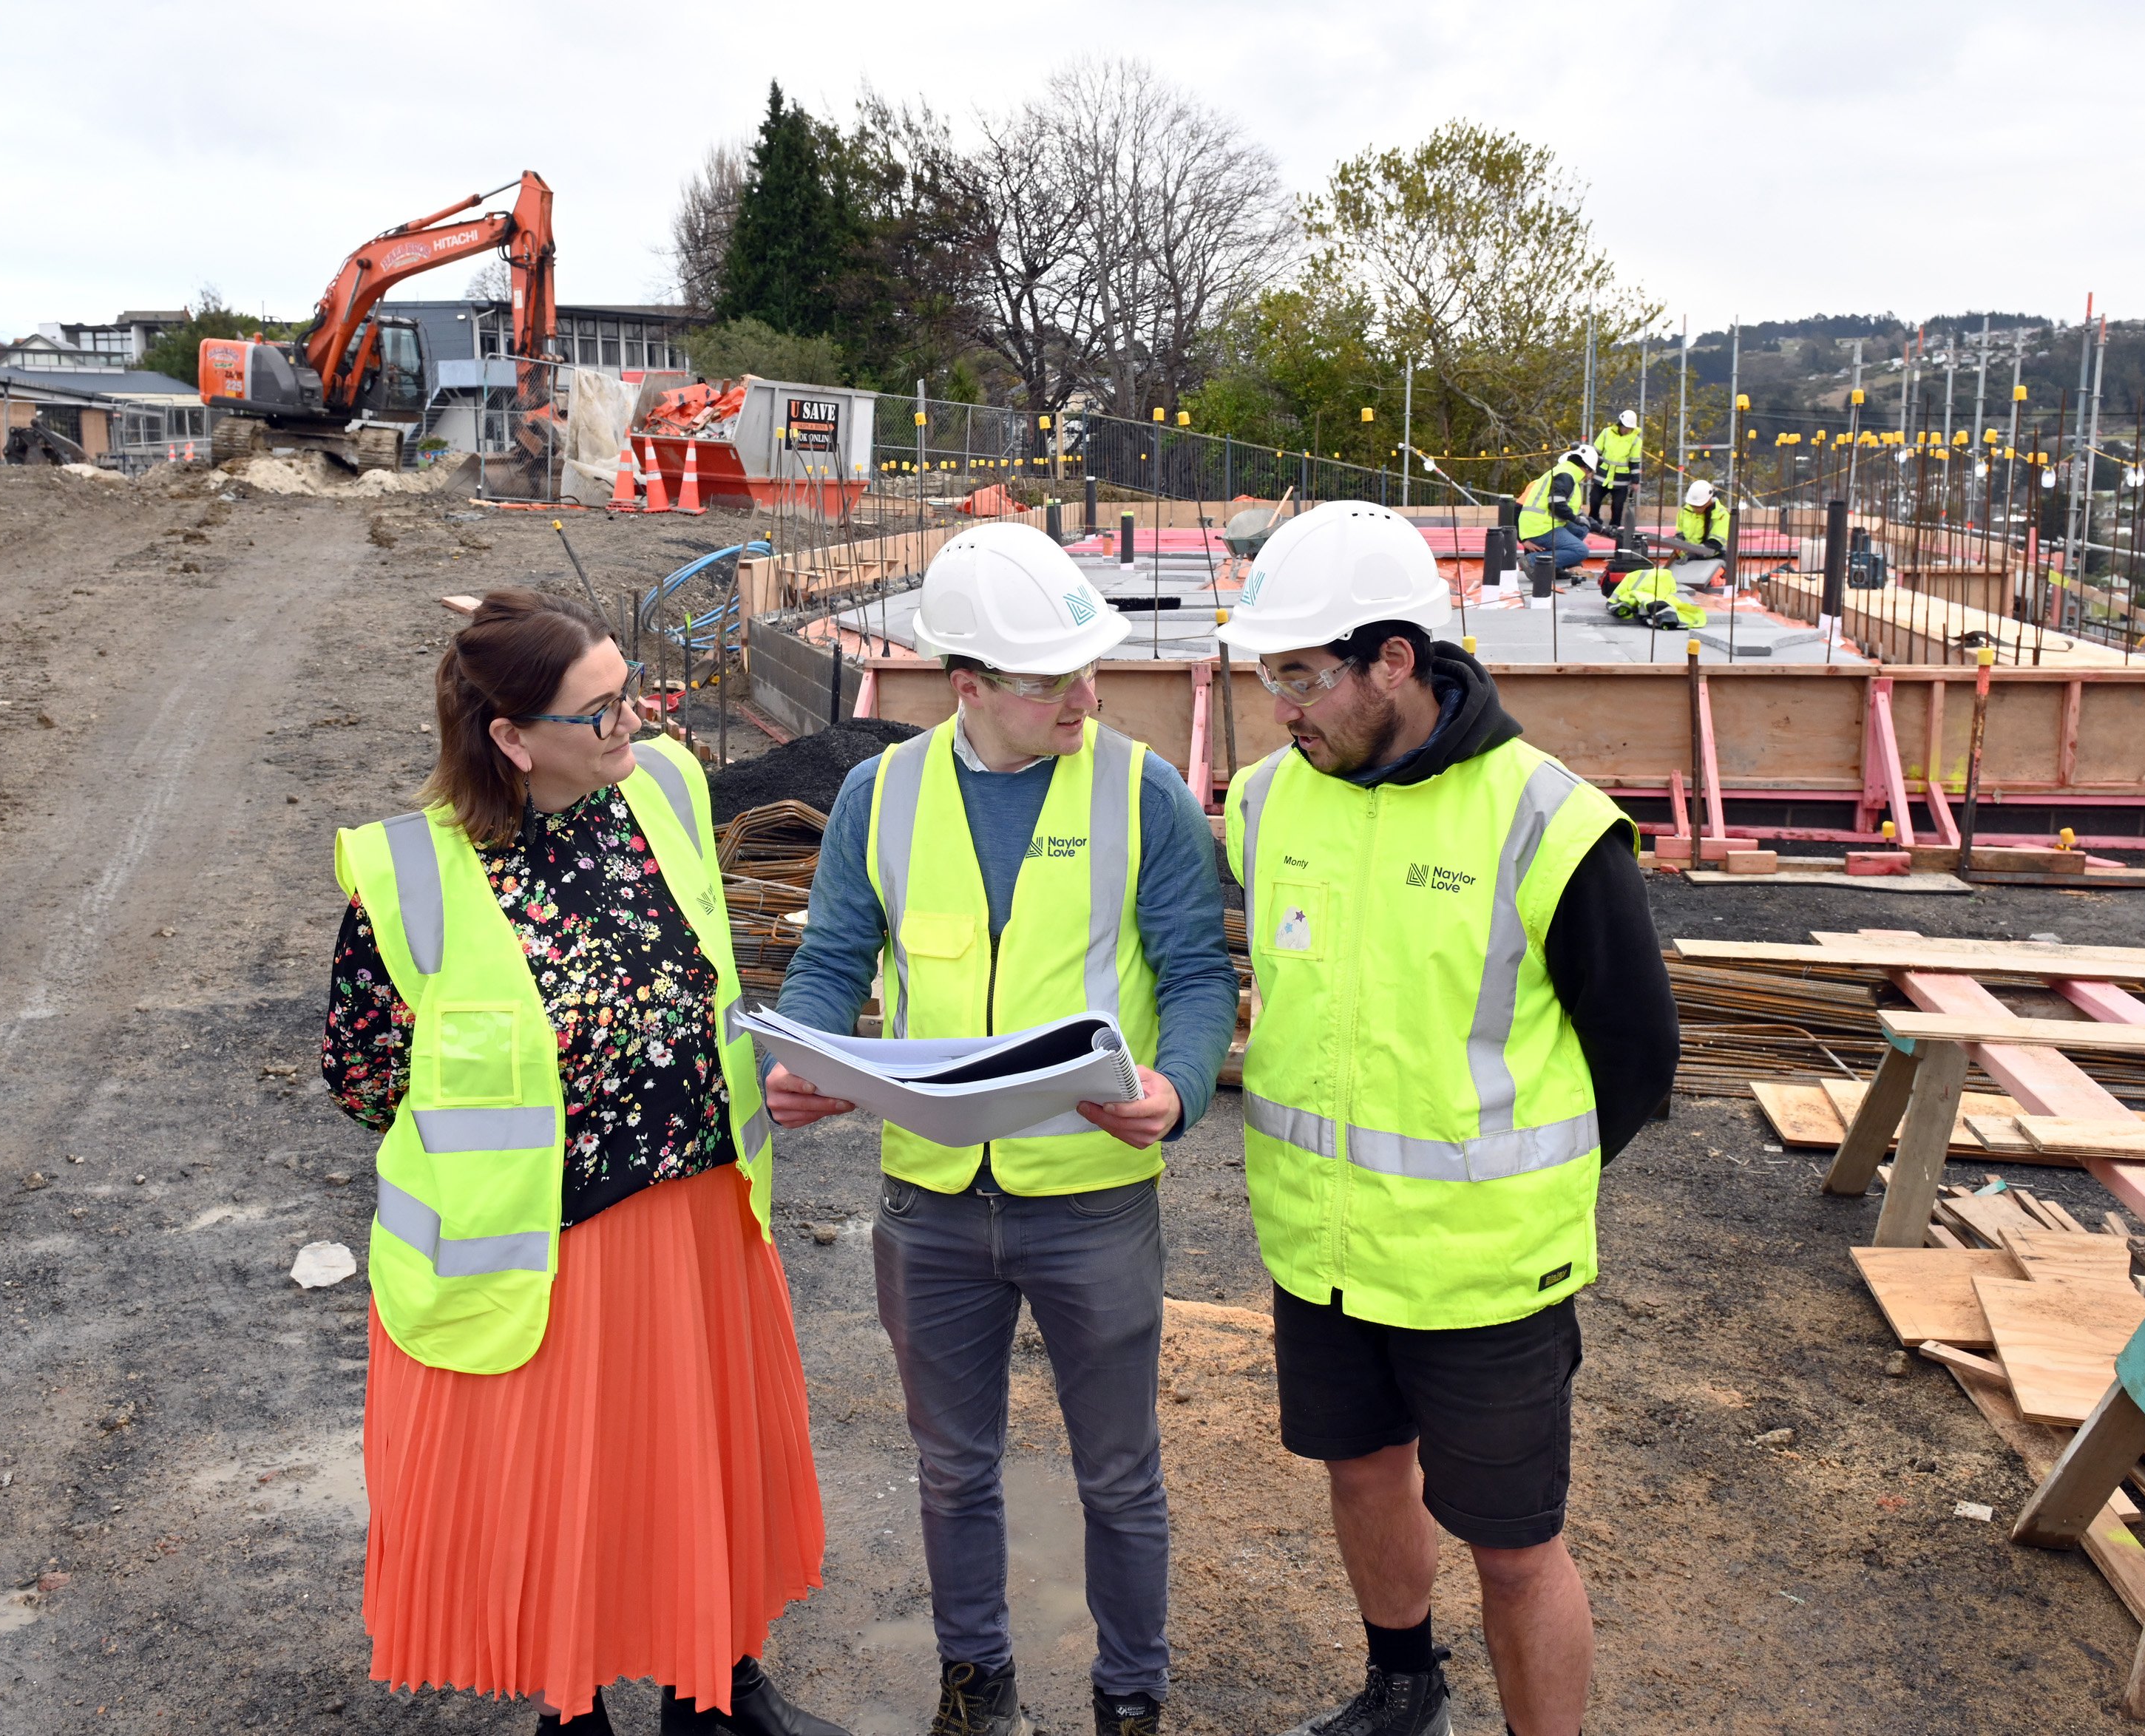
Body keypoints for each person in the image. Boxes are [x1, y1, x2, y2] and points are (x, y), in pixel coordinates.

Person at [322, 591, 842, 1736]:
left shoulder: (661, 789)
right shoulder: (411, 878)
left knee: (691, 1490)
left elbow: (703, 974)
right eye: (601, 710)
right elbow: (365, 1078)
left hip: (704, 1217)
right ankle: (578, 1714)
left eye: (633, 690)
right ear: (511, 739)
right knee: (580, 1512)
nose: (637, 723)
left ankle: (716, 1696)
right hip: (552, 1256)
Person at [762, 523, 1238, 1736]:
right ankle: (977, 1687)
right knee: (953, 1465)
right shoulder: (882, 791)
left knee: (1119, 1472)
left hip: (1089, 1197)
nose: (1086, 696)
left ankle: (1131, 1695)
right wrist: (811, 1056)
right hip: (928, 1200)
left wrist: (1177, 1088)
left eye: (1091, 669)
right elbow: (831, 959)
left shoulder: (1145, 795)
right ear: (965, 682)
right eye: (1050, 679)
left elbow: (1193, 976)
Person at [1212, 502, 1680, 1736]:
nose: (1281, 706)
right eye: (1269, 675)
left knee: (1515, 1545)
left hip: (1485, 1273)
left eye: (1304, 675)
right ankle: (1402, 1684)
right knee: (1362, 1471)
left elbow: (1634, 1056)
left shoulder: (1547, 821)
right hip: (1320, 1250)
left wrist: (1502, 1186)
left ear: (1395, 661)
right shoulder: (1265, 804)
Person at [1515, 446, 1599, 578]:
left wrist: (1599, 528)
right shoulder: (1566, 476)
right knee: (1581, 551)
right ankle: (1533, 562)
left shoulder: (1564, 474)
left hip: (1541, 524)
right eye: (1590, 474)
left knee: (1580, 529)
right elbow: (1556, 504)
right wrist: (1523, 539)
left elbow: (1572, 511)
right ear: (1586, 468)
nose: (1588, 478)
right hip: (1540, 527)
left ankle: (1555, 566)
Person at [1668, 478, 1733, 591]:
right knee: (1671, 582)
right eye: (1693, 505)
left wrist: (1693, 553)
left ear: (1709, 500)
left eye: (1699, 506)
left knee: (1712, 583)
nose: (1696, 508)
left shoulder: (1721, 515)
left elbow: (1715, 544)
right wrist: (1678, 544)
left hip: (1714, 560)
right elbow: (1680, 533)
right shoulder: (1685, 511)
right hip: (1687, 560)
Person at [1589, 411, 1643, 530]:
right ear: (1620, 424)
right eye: (1625, 427)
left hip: (1621, 479)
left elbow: (1634, 462)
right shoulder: (1606, 433)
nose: (1627, 430)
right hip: (1602, 476)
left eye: (1629, 428)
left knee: (1617, 506)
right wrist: (1590, 469)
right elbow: (1595, 453)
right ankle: (1593, 522)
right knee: (1594, 500)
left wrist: (1635, 481)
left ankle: (1614, 528)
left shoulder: (1635, 440)